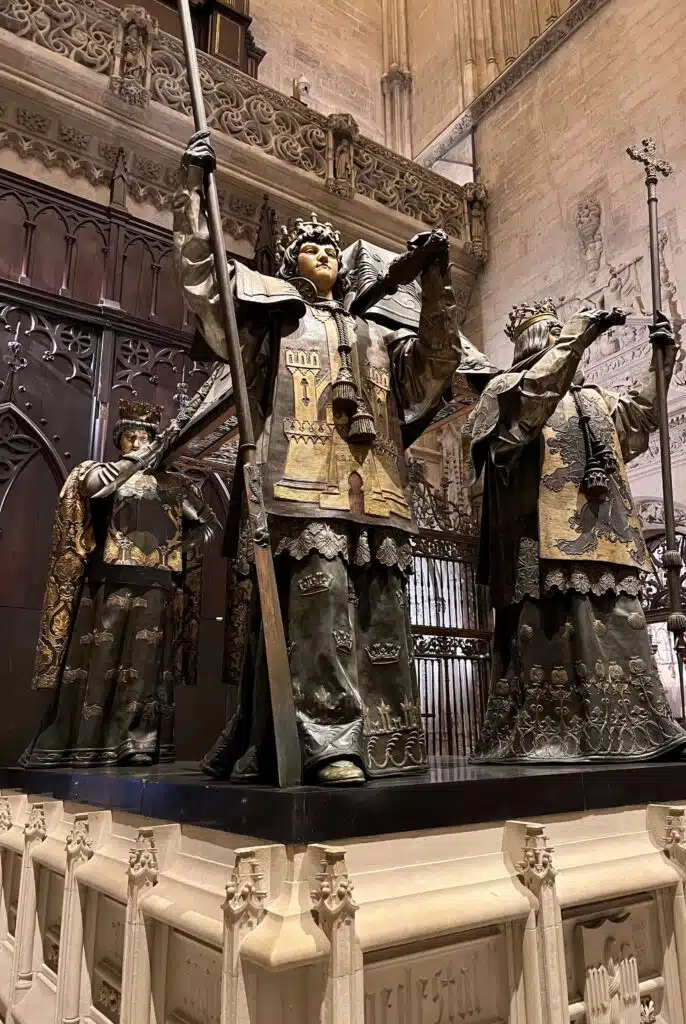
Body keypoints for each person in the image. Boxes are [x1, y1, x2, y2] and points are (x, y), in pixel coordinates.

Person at [172, 130, 460, 785]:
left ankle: (385, 742)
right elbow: (209, 289)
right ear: (292, 262)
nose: (324, 254)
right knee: (320, 611)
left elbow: (435, 368)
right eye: (311, 247)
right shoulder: (276, 317)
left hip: (377, 489)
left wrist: (438, 281)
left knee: (382, 622)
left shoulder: (378, 335)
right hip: (301, 487)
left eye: (332, 247)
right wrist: (194, 195)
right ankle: (330, 742)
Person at [469, 298, 686, 763]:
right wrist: (579, 336)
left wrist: (661, 362)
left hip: (608, 539)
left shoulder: (597, 401)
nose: (571, 346)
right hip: (539, 546)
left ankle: (649, 734)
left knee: (625, 633)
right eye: (558, 336)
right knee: (556, 637)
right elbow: (528, 412)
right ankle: (554, 736)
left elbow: (640, 417)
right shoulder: (506, 391)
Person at [21, 401, 218, 768]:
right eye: (131, 436)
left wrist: (178, 547)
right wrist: (140, 459)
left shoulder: (175, 484)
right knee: (99, 661)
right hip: (109, 581)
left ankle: (137, 741)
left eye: (146, 437)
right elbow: (98, 488)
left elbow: (207, 525)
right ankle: (83, 740)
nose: (139, 442)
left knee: (145, 665)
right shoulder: (97, 471)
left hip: (158, 582)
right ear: (119, 441)